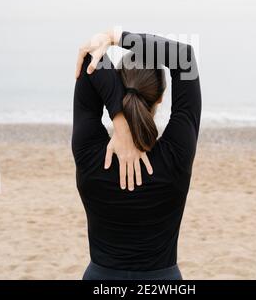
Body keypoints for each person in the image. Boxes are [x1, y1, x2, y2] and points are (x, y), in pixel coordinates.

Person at [72, 28, 201, 280]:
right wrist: (115, 36)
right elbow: (184, 56)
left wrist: (119, 117)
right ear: (161, 97)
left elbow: (90, 59)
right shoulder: (177, 154)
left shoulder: (89, 152)